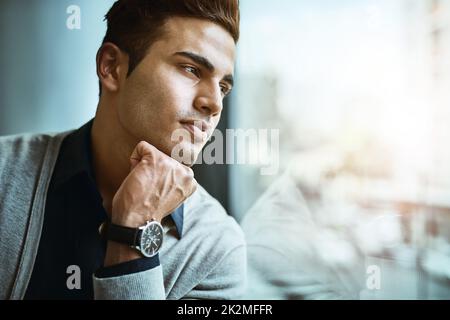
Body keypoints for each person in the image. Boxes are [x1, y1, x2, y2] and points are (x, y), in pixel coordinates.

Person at [0, 0, 246, 300]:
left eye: (223, 87)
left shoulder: (216, 246)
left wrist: (133, 232)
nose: (214, 103)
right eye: (191, 69)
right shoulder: (4, 172)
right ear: (112, 67)